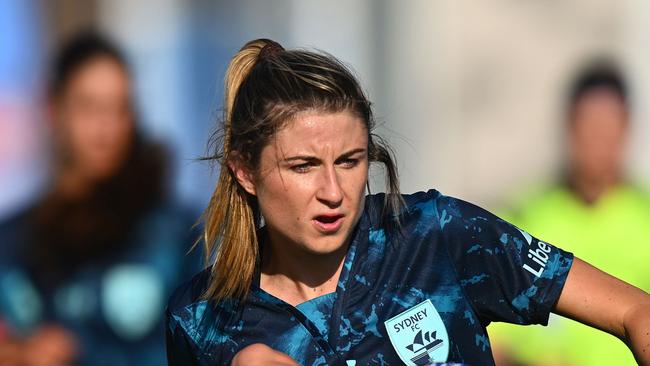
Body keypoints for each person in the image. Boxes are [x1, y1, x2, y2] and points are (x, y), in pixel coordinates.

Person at [165, 39, 650, 366]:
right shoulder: (200, 319)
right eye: (303, 166)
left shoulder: (437, 234)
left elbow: (635, 312)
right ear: (244, 170)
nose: (333, 191)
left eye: (351, 160)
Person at [0, 33, 199, 365]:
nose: (106, 129)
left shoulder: (175, 235)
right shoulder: (12, 241)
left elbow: (206, 345)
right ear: (53, 109)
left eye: (119, 109)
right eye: (89, 107)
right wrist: (19, 354)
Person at [488, 65, 650, 365]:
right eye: (588, 128)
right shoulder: (524, 218)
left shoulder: (645, 220)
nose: (597, 142)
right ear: (569, 127)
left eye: (608, 129)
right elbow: (493, 339)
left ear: (627, 129)